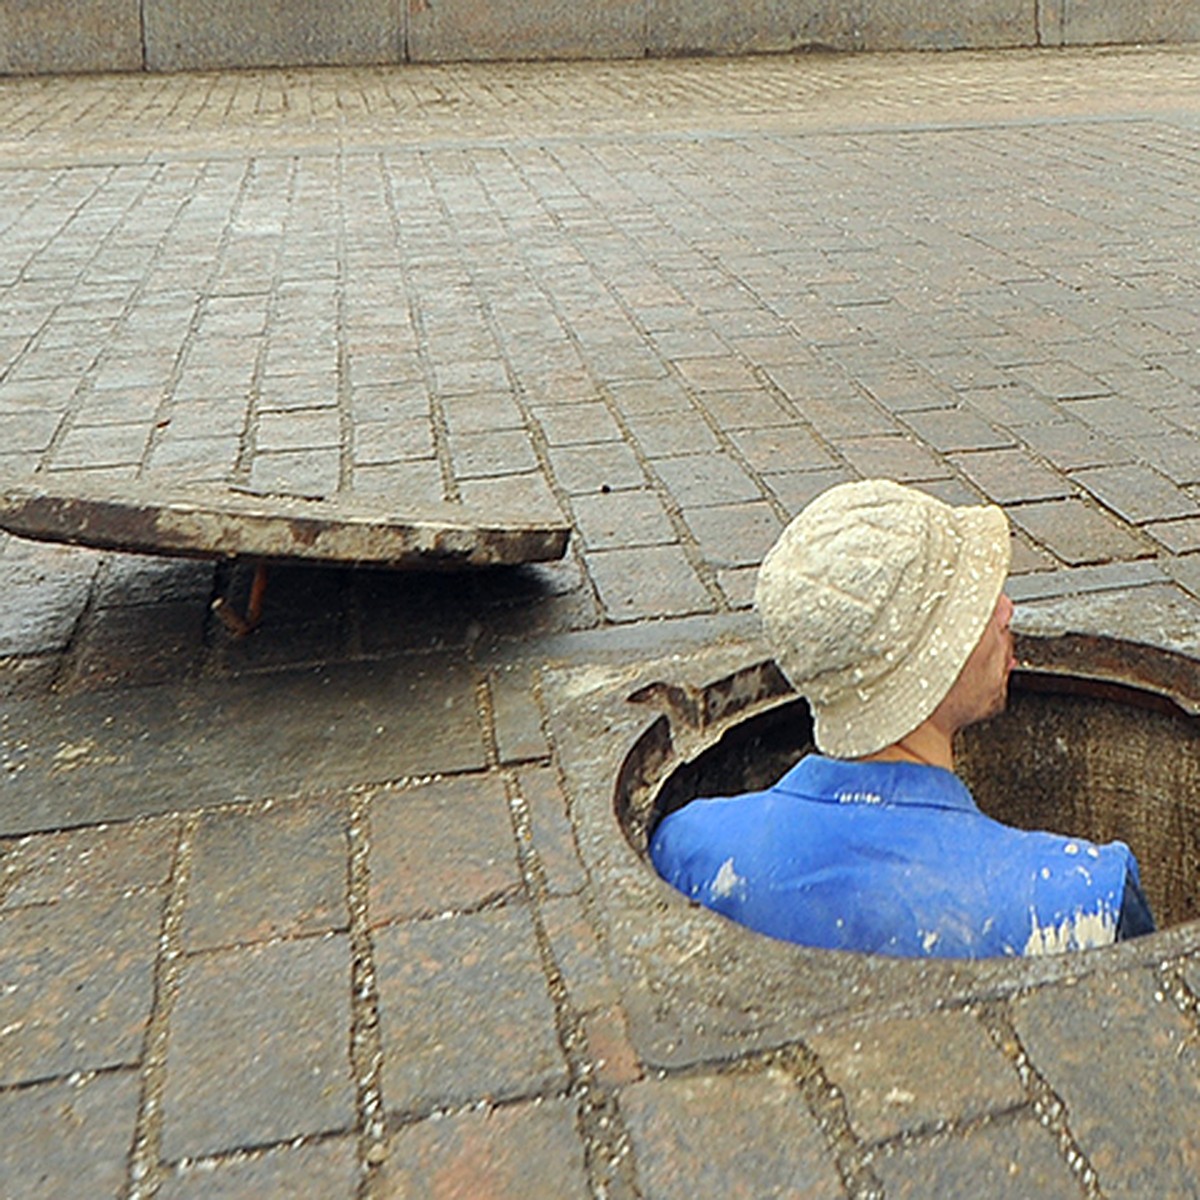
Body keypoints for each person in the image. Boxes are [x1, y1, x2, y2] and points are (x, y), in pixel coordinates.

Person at [650, 479, 1155, 958]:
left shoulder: (690, 845)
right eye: (975, 606)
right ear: (935, 664)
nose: (1006, 611)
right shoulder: (1083, 899)